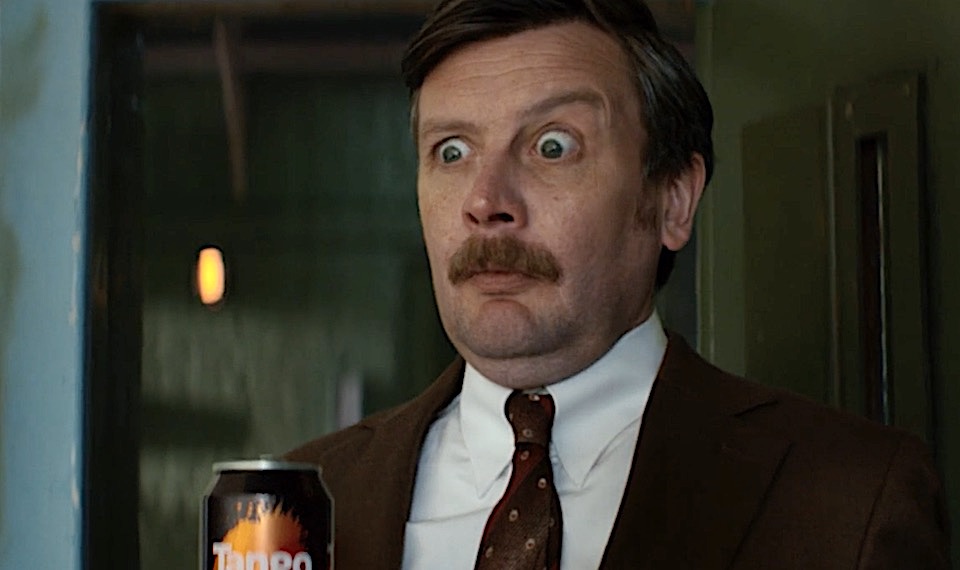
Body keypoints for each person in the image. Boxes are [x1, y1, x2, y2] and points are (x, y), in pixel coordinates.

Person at [287, 0, 951, 567]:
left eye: (553, 146)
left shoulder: (851, 498)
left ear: (672, 200)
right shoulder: (297, 504)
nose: (485, 201)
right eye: (451, 152)